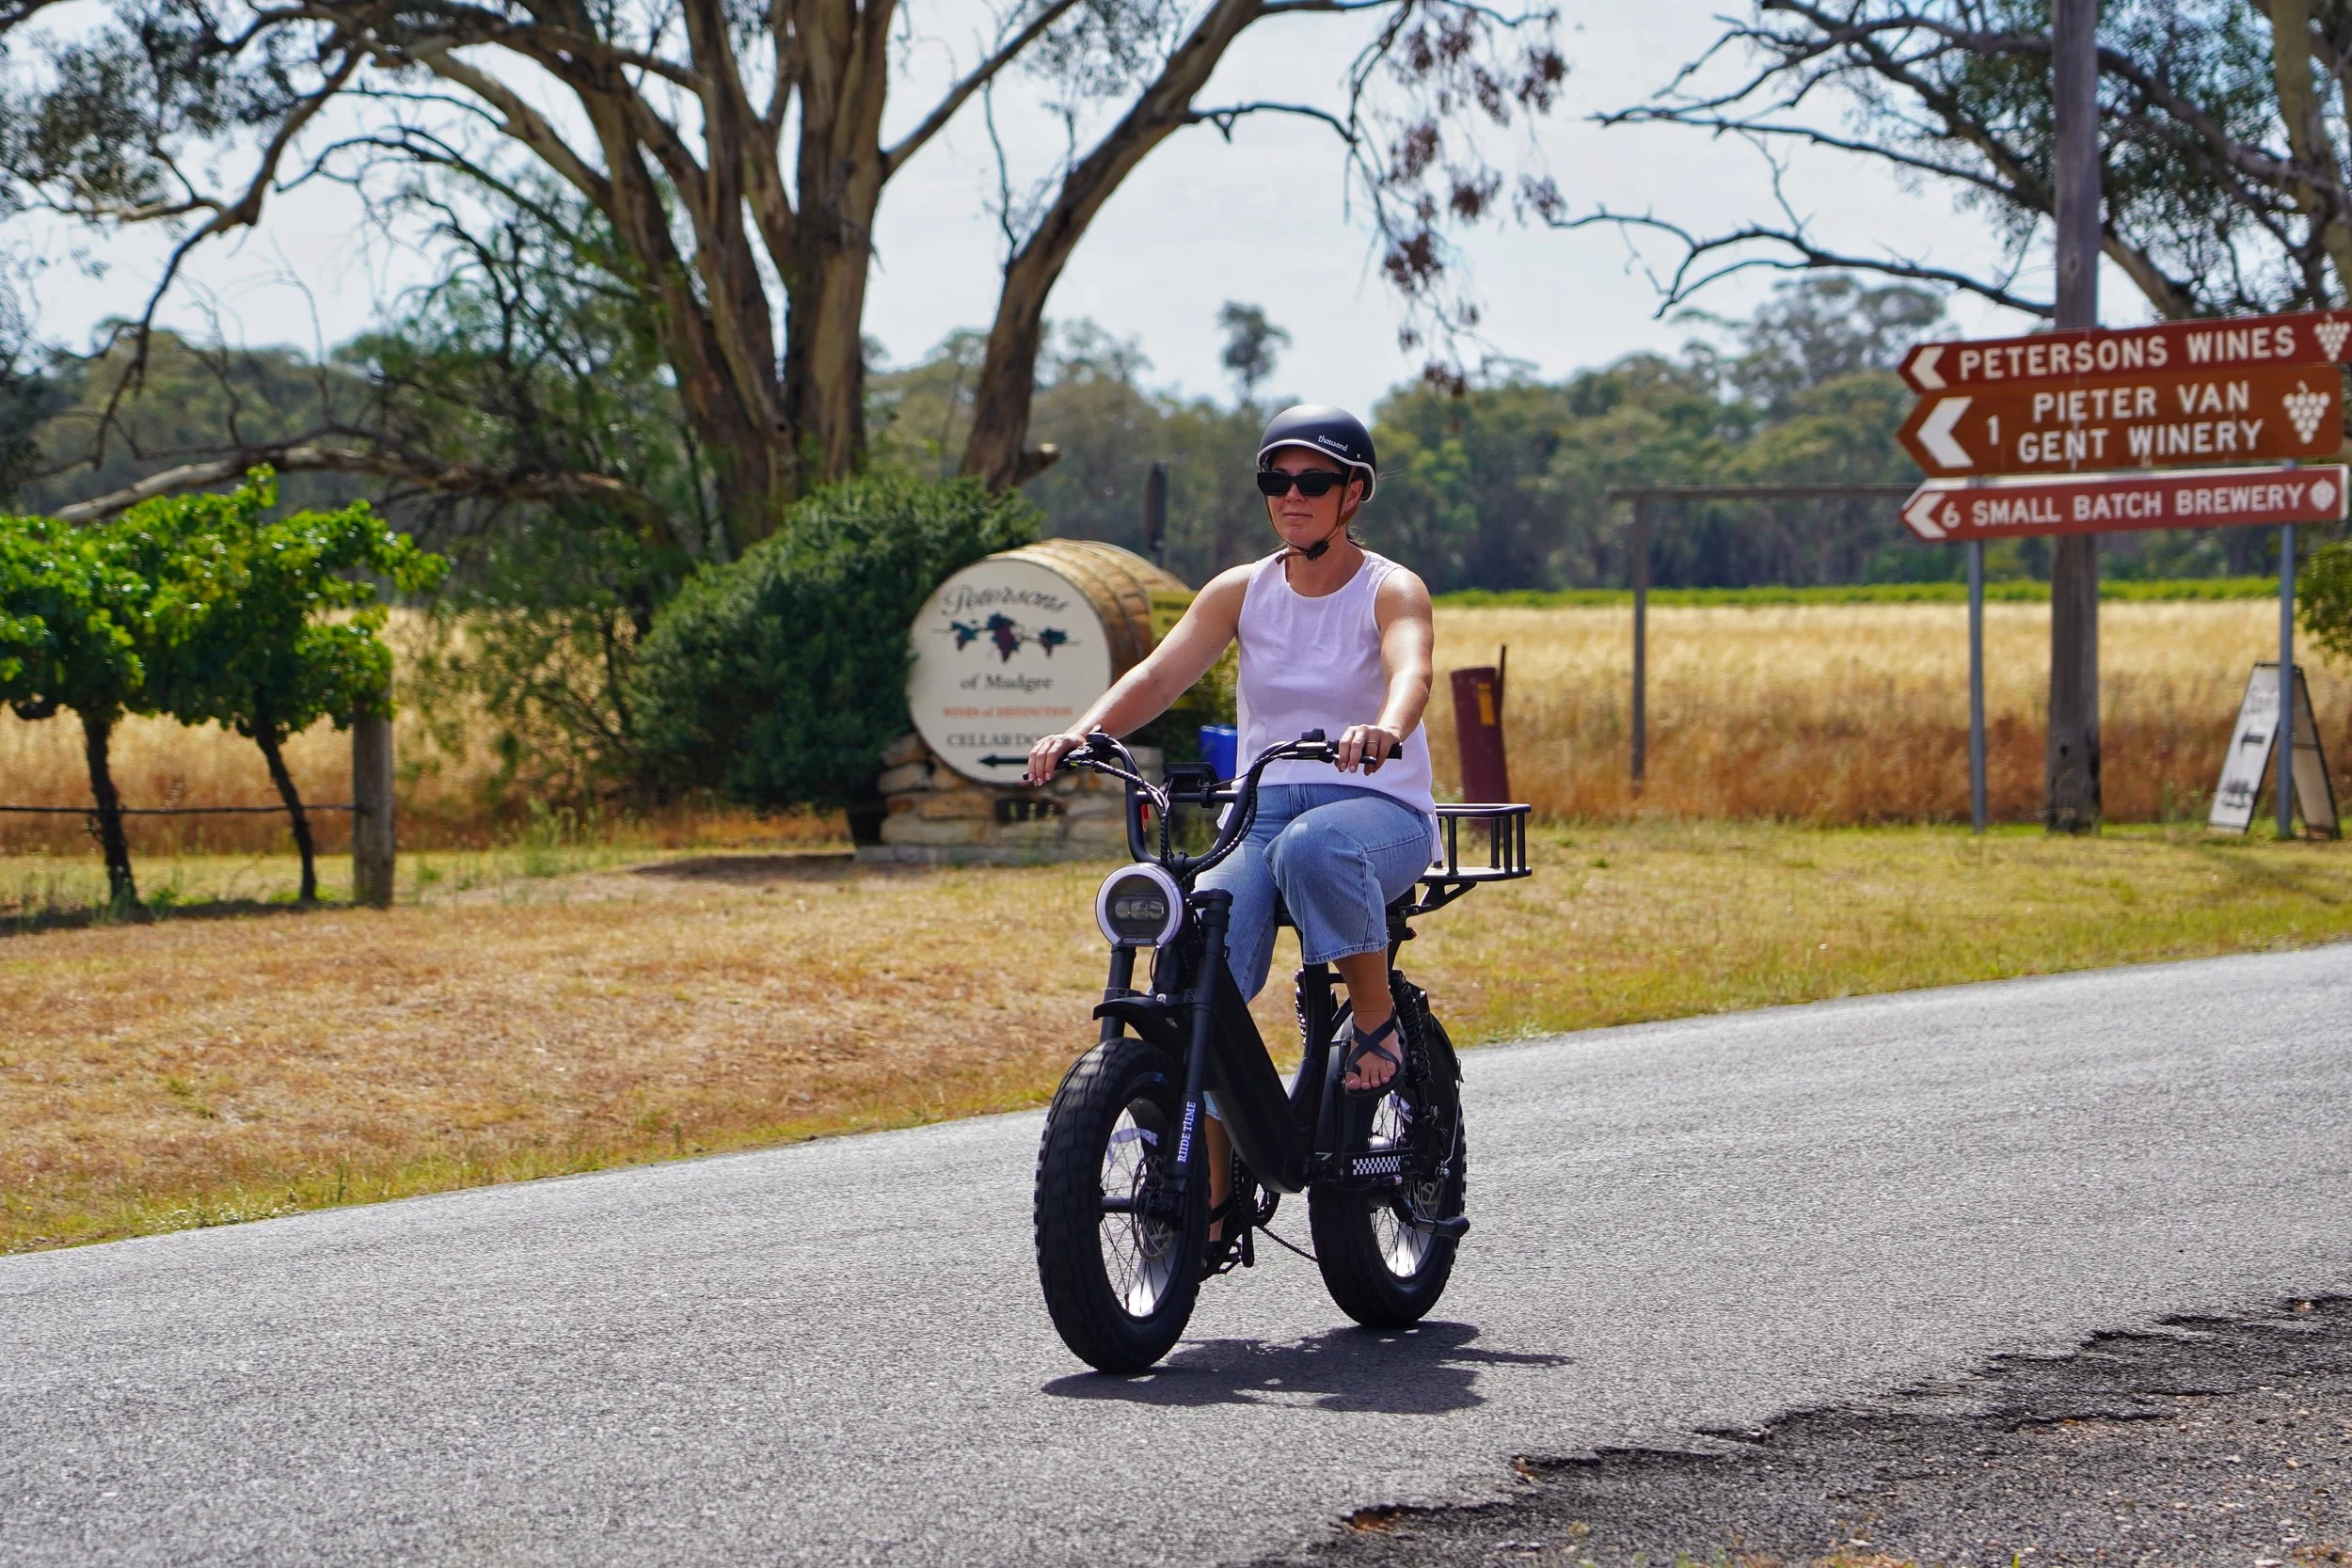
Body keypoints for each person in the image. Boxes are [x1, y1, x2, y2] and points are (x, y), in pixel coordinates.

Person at [1025, 404, 1438, 1243]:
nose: (1292, 495)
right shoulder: (1241, 590)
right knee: (1192, 961)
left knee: (1317, 847)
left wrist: (1385, 727)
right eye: (1275, 480)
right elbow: (1159, 676)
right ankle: (1214, 1201)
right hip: (1259, 815)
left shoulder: (1389, 587)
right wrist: (1082, 731)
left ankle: (1375, 1017)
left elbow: (1412, 668)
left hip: (1378, 808)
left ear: (1354, 492)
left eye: (1313, 480)